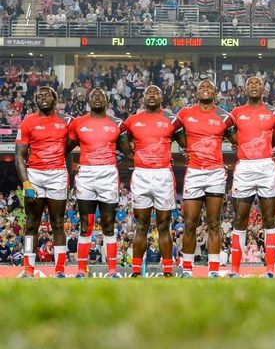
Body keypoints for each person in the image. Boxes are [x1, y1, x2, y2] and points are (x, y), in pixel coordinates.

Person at [66, 88, 132, 278]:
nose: (97, 98)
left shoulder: (117, 123)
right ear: (88, 100)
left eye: (101, 96)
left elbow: (129, 153)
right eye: (93, 96)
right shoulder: (78, 123)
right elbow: (65, 150)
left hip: (108, 175)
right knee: (86, 225)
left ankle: (112, 271)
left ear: (107, 101)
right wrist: (73, 169)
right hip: (86, 175)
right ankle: (80, 270)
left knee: (109, 225)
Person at [124, 85, 186, 277]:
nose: (152, 95)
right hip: (141, 174)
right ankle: (136, 272)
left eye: (155, 93)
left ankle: (167, 271)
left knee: (163, 226)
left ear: (162, 97)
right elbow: (123, 142)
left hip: (163, 175)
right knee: (141, 225)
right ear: (142, 98)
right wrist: (133, 156)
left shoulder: (172, 119)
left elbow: (186, 145)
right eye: (148, 92)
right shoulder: (132, 120)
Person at [177, 80, 236, 278]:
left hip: (215, 173)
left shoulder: (224, 117)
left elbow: (238, 141)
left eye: (209, 87)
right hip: (194, 172)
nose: (205, 90)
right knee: (190, 223)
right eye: (201, 87)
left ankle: (213, 270)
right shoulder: (185, 113)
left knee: (213, 224)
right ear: (196, 92)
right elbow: (173, 132)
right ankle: (187, 268)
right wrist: (186, 148)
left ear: (216, 93)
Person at [15, 86, 73, 278]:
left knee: (57, 223)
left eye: (47, 95)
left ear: (55, 100)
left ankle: (60, 271)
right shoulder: (28, 122)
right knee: (31, 224)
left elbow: (76, 145)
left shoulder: (67, 121)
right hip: (35, 176)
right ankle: (28, 269)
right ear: (35, 101)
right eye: (39, 96)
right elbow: (19, 156)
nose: (43, 98)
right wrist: (26, 183)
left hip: (57, 174)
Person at [228, 76, 275, 278]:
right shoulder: (236, 113)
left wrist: (267, 146)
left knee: (269, 218)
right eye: (249, 83)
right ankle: (234, 270)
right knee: (240, 219)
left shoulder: (274, 112)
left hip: (266, 166)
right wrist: (239, 143)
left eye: (257, 83)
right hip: (244, 168)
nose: (253, 86)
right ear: (244, 89)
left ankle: (270, 269)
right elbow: (228, 132)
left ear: (264, 89)